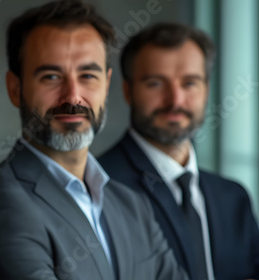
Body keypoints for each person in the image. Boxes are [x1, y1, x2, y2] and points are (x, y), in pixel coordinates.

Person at [0, 1, 188, 279]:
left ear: (106, 85)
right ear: (15, 89)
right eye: (51, 76)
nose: (73, 96)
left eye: (87, 75)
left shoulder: (133, 205)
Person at [98, 22, 259, 280]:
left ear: (207, 89)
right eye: (155, 83)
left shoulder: (234, 198)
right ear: (128, 91)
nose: (175, 100)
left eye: (190, 83)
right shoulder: (98, 187)